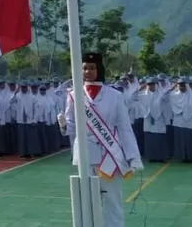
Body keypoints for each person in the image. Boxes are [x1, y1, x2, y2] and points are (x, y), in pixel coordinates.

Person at [58, 52, 142, 227]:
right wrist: (64, 125)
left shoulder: (115, 95)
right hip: (85, 155)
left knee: (113, 201)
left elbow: (125, 128)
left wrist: (133, 157)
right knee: (85, 201)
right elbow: (71, 126)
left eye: (92, 68)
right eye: (84, 68)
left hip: (110, 154)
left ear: (100, 69)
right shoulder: (74, 95)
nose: (88, 71)